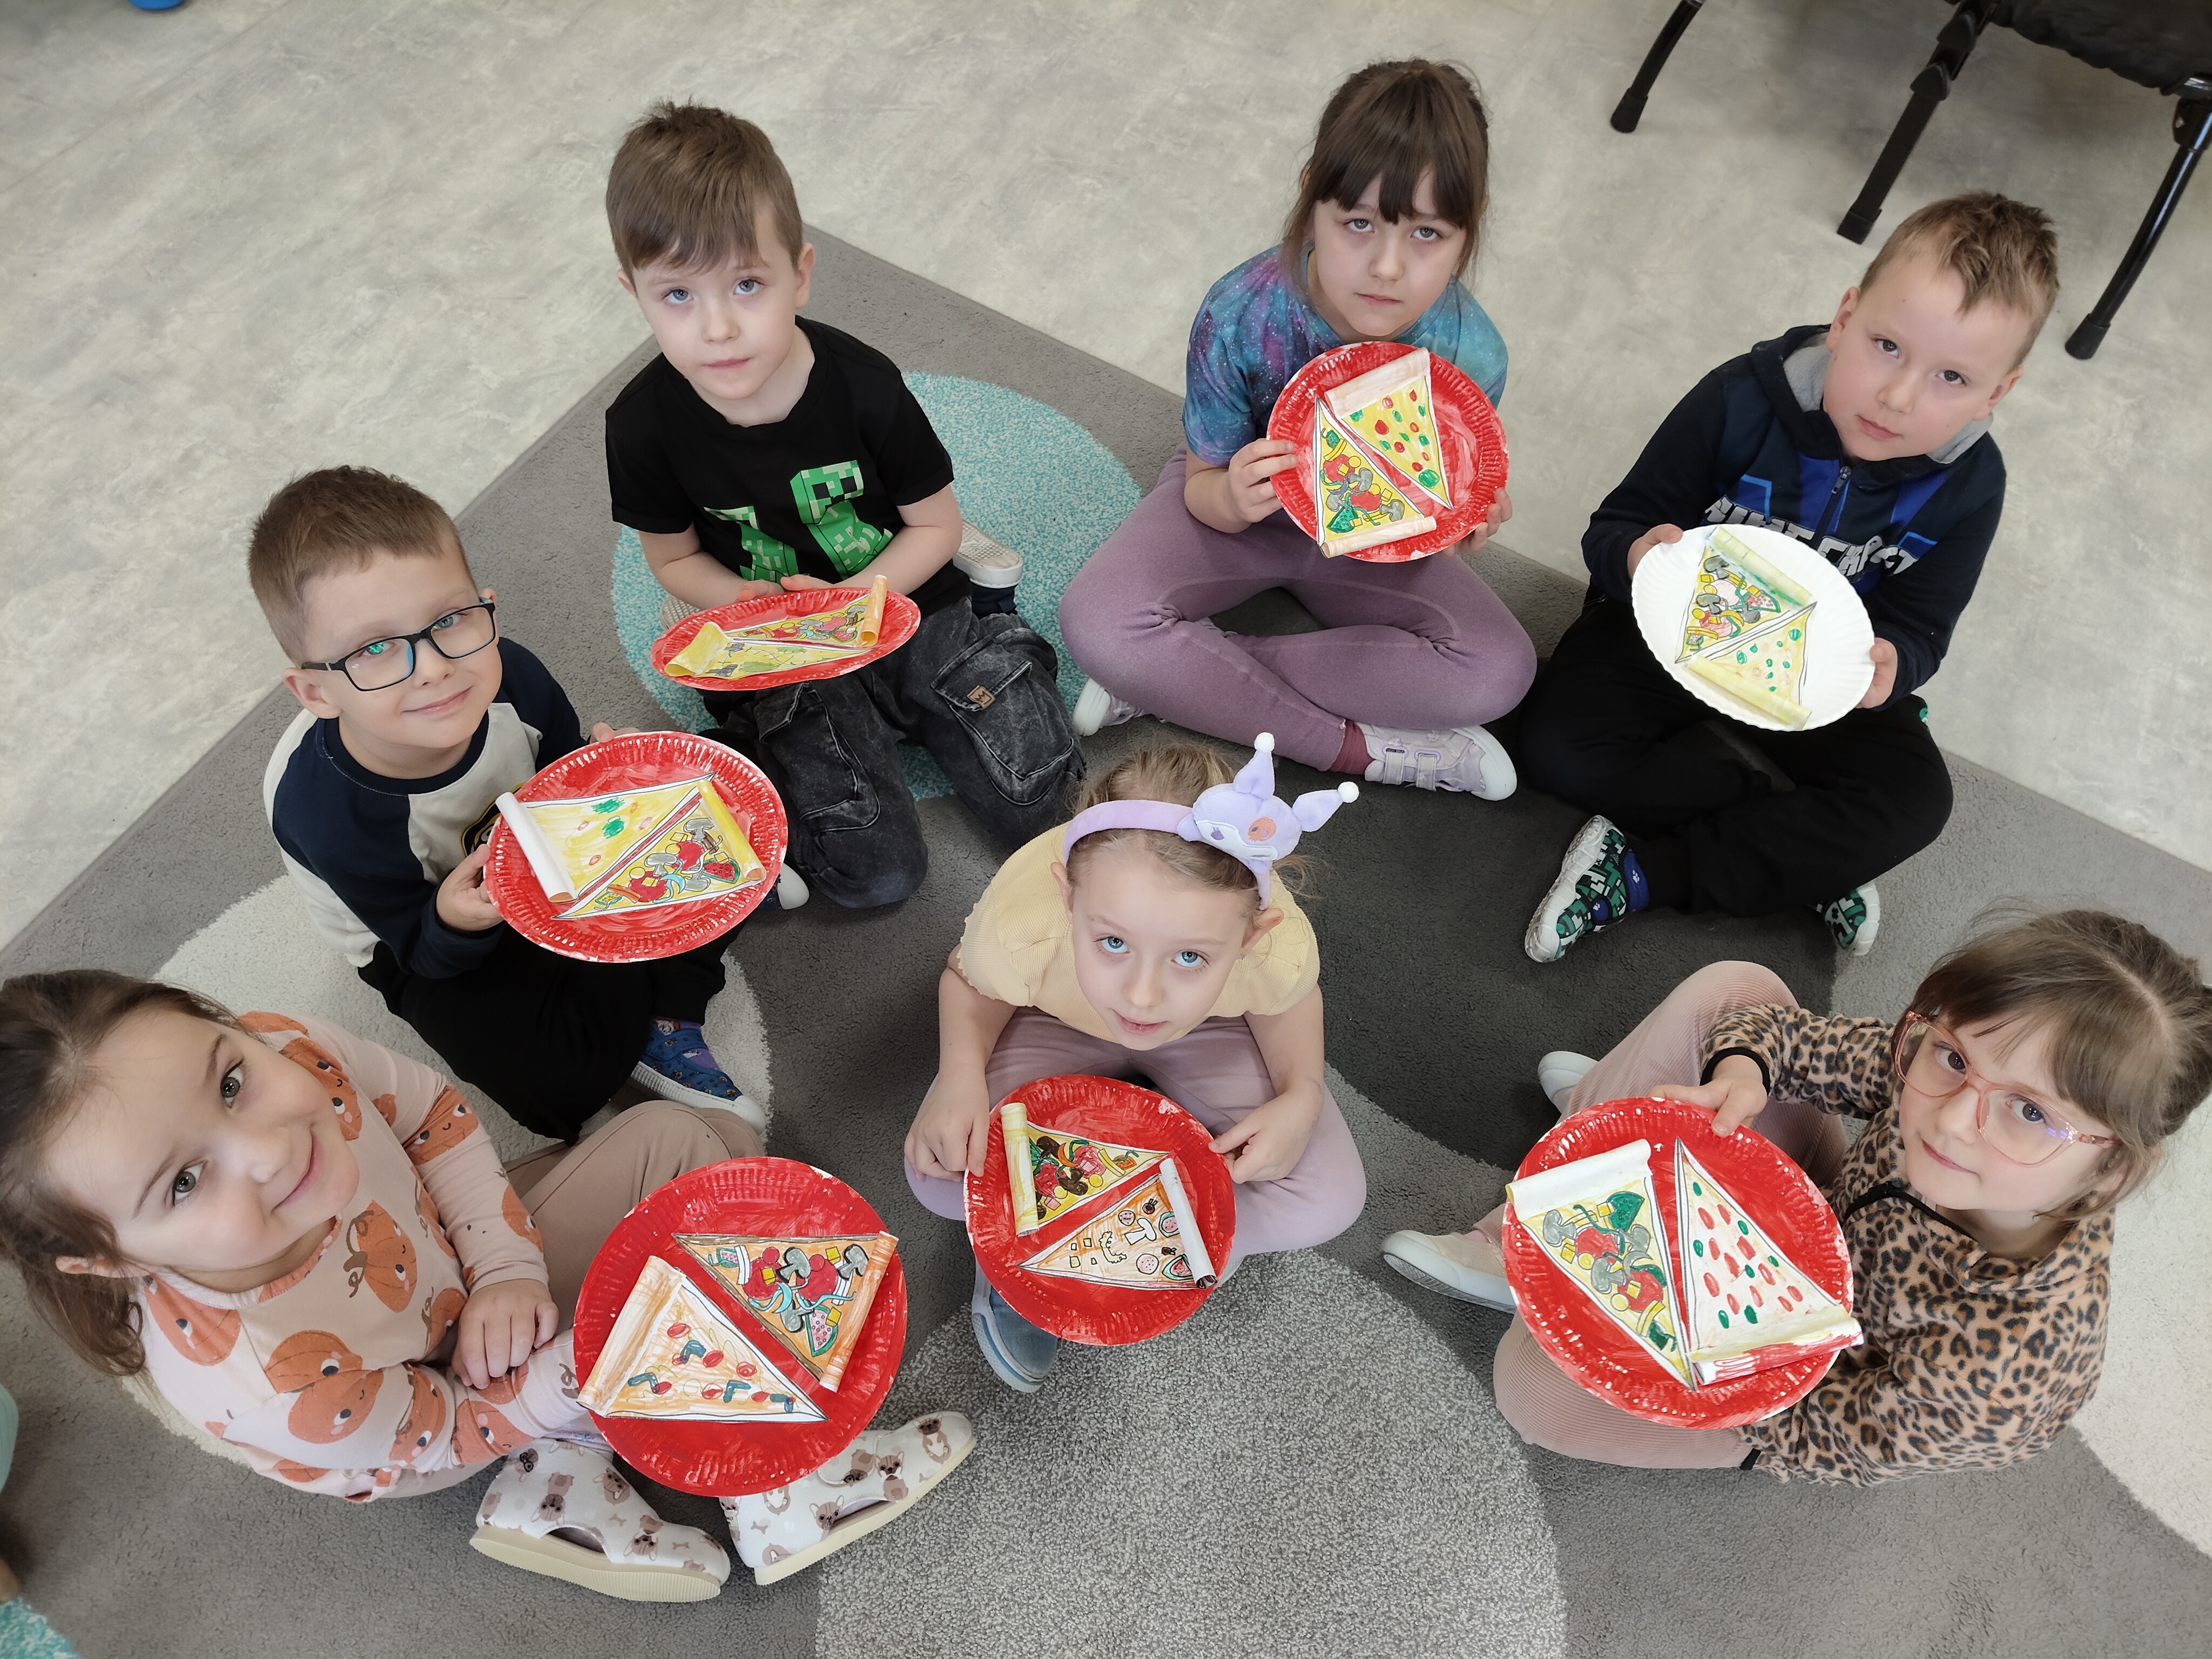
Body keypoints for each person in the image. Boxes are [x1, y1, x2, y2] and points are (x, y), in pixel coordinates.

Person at [0, 970, 972, 1591]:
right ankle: (780, 1496)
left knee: (702, 1144)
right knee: (686, 1249)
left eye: (229, 1083)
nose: (267, 1149)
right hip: (424, 1418)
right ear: (108, 1260)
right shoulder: (264, 1380)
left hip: (456, 1278)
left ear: (222, 1027)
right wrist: (572, 1371)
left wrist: (506, 1271)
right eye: (182, 1182)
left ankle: (558, 1470)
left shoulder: (283, 1043)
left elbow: (435, 1122)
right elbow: (441, 1429)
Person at [1381, 908, 2212, 1481]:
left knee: (1531, 1390)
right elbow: (1788, 1036)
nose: (1955, 1121)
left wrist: (1691, 1331)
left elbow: (1836, 1438)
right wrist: (1739, 1076)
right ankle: (1542, 1216)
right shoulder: (1928, 1070)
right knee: (1733, 993)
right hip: (1810, 1211)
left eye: (2031, 1113)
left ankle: (1613, 1128)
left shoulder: (2013, 1359)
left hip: (1796, 1367)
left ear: (2113, 1170)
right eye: (1955, 1057)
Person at [1516, 193, 2059, 963]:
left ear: (1996, 395)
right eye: (1886, 346)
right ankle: (1793, 841)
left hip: (1821, 676)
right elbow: (1615, 527)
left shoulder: (1972, 486)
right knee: (1554, 746)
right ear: (1844, 318)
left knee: (1916, 802)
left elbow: (1922, 624)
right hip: (1672, 631)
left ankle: (1657, 872)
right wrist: (1637, 556)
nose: (1899, 397)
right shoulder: (1737, 398)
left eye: (1952, 378)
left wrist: (1895, 663)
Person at [603, 102, 1082, 907]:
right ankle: (738, 767)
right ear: (635, 294)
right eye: (677, 295)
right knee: (877, 875)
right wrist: (753, 602)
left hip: (902, 600)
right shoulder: (640, 424)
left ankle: (997, 638)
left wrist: (858, 602)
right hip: (779, 641)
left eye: (747, 284)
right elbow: (674, 558)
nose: (718, 328)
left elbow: (937, 526)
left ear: (800, 273)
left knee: (1046, 809)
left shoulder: (865, 386)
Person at [252, 466, 784, 1142]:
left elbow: (569, 790)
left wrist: (614, 781)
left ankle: (665, 995)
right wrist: (454, 922)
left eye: (450, 620)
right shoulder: (329, 815)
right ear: (316, 693)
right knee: (555, 1084)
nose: (434, 668)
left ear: (487, 606)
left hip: (544, 848)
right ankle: (669, 959)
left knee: (735, 793)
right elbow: (419, 953)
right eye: (375, 649)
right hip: (423, 931)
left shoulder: (515, 678)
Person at [1056, 59, 1533, 799]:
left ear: (1469, 229)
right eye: (1358, 223)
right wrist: (1231, 499)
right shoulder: (1239, 314)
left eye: (1427, 233)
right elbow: (1203, 484)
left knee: (1501, 670)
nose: (1387, 267)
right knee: (1095, 620)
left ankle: (1184, 672)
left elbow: (1427, 510)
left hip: (1371, 544)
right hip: (1243, 514)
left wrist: (1460, 520)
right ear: (1312, 196)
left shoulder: (1473, 355)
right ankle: (1353, 748)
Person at [903, 737, 1368, 1391]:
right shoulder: (1021, 921)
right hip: (1051, 1017)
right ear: (1068, 898)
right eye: (1114, 942)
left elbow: (1287, 1000)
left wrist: (1303, 1093)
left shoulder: (1277, 942)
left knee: (1331, 1198)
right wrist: (958, 1077)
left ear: (1250, 936)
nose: (1142, 998)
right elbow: (972, 985)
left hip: (1213, 1028)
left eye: (1189, 957)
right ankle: (1047, 1255)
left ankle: (1158, 1230)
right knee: (941, 1171)